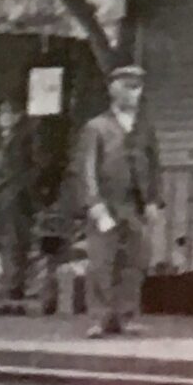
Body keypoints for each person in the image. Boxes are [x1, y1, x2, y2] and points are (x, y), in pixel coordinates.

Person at [75, 64, 162, 339]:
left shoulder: (144, 128)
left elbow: (154, 165)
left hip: (135, 204)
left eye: (137, 87)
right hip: (107, 202)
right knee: (102, 260)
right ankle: (99, 317)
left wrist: (153, 200)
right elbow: (87, 168)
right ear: (114, 91)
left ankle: (127, 315)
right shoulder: (97, 127)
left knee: (134, 261)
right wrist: (94, 202)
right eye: (128, 87)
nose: (133, 93)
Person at [0, 97, 50, 314]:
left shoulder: (27, 137)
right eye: (2, 114)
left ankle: (13, 288)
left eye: (8, 113)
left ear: (17, 116)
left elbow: (37, 165)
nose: (3, 118)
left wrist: (22, 187)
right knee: (3, 241)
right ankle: (7, 284)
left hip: (15, 196)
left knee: (15, 242)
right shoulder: (2, 139)